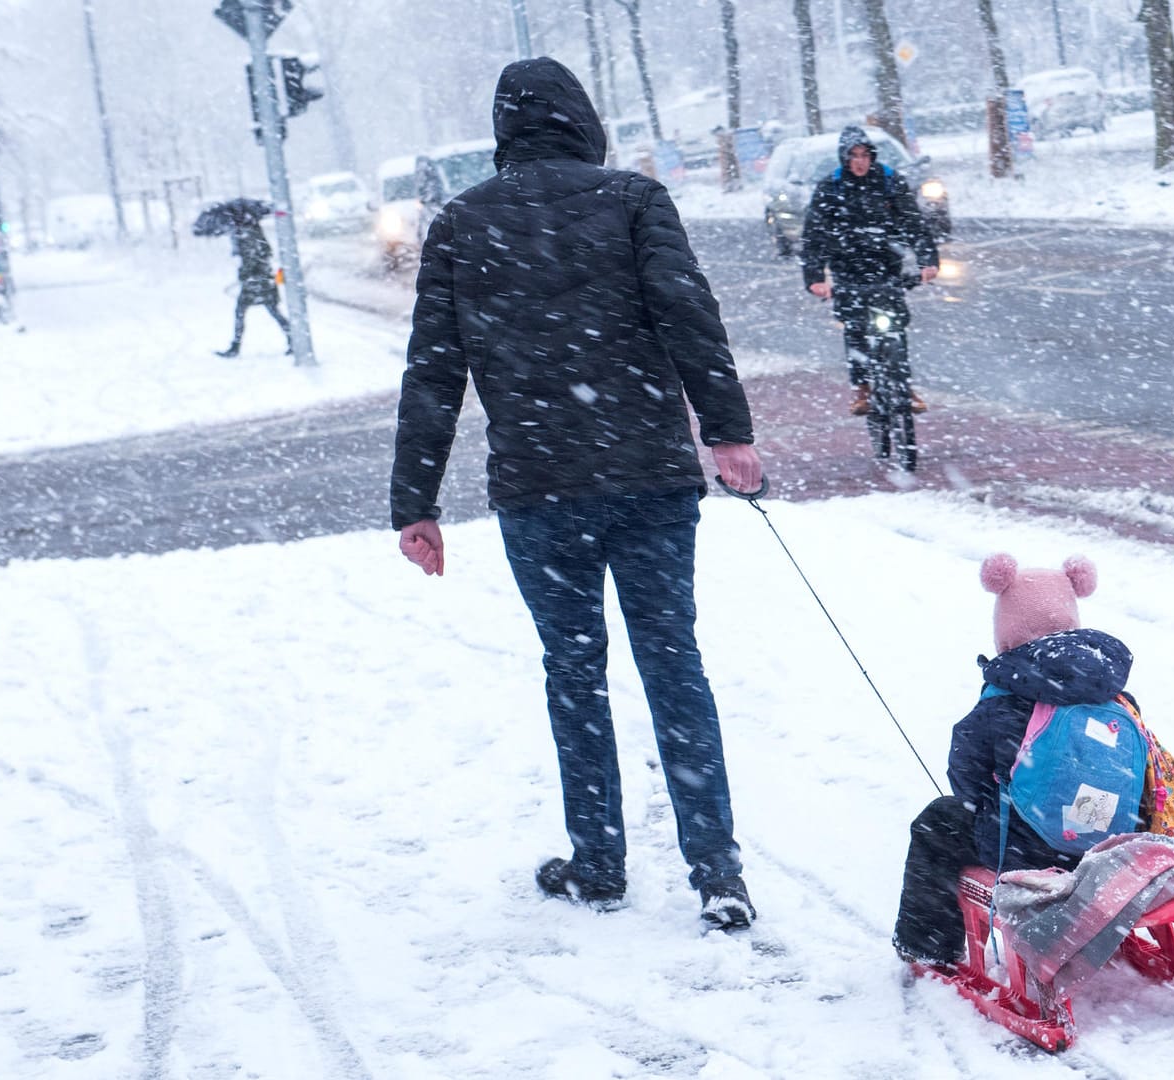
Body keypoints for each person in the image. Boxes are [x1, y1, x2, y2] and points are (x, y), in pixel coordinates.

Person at [390, 57, 766, 932]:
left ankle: (597, 861)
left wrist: (416, 501)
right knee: (675, 664)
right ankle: (717, 872)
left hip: (539, 487)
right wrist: (727, 430)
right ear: (581, 120)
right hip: (647, 474)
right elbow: (689, 314)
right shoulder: (633, 201)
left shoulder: (461, 224)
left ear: (504, 133)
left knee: (574, 672)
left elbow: (432, 372)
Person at [893, 552, 1139, 967]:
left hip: (1026, 849)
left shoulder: (1004, 698)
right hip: (1108, 847)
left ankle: (928, 945)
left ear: (1006, 633)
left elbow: (965, 777)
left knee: (938, 821)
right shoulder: (1112, 691)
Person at [799, 125, 940, 416]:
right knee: (855, 328)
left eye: (865, 155)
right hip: (847, 271)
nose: (861, 161)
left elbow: (914, 223)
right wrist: (815, 278)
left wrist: (927, 259)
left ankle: (903, 385)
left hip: (887, 268)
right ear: (844, 158)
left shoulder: (889, 181)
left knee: (895, 329)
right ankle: (862, 388)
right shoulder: (830, 188)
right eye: (854, 156)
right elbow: (814, 236)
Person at [216, 220, 289, 357]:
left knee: (242, 312)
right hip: (262, 283)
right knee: (272, 312)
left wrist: (245, 272)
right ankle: (292, 339)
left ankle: (235, 347)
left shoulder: (248, 238)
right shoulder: (254, 237)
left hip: (257, 283)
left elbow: (252, 262)